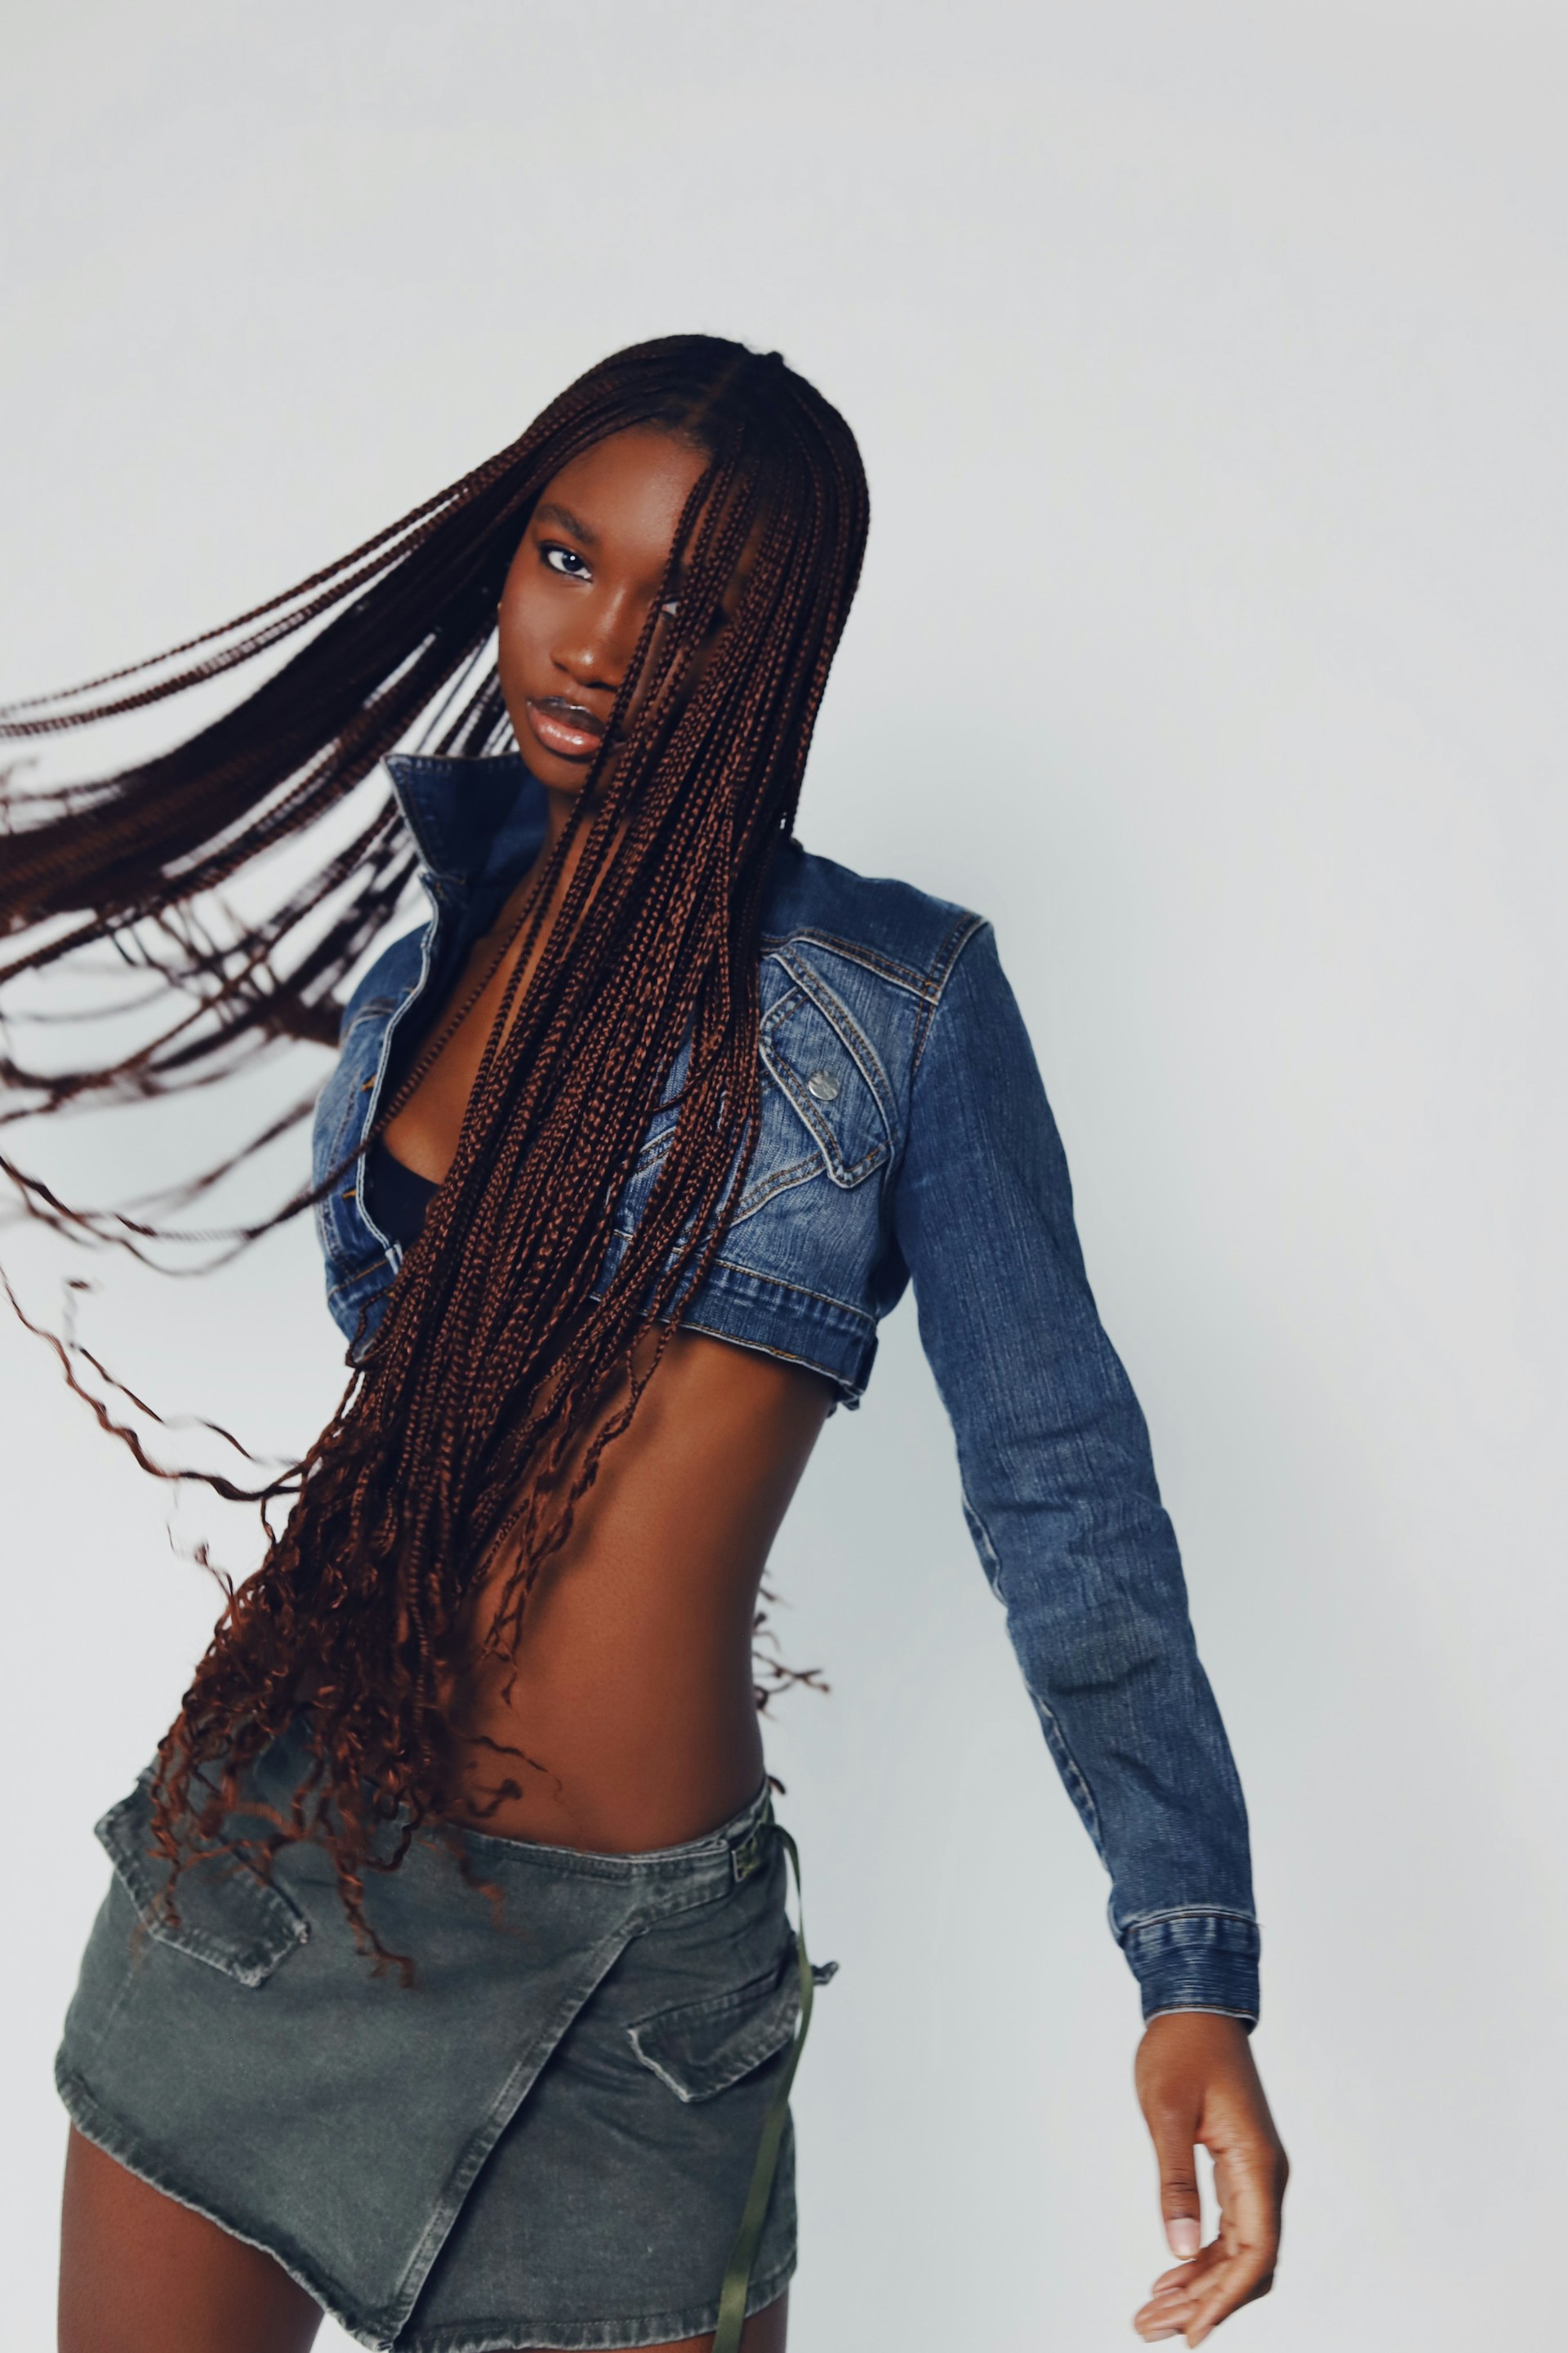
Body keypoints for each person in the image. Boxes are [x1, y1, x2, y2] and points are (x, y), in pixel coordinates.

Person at [1, 335, 1286, 2353]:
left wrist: (1189, 1960)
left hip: (629, 2020)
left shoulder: (899, 1000)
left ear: (786, 649)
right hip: (265, 1886)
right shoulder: (431, 963)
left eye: (685, 602)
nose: (594, 642)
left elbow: (1061, 1481)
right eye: (565, 559)